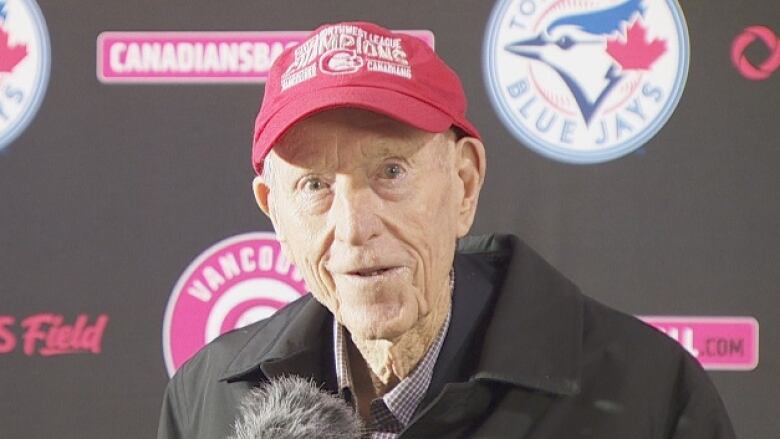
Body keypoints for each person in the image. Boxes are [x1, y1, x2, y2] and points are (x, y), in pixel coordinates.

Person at [157, 21, 736, 439]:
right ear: (273, 211)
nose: (354, 227)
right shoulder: (209, 398)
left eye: (390, 171)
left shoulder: (650, 395)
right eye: (314, 186)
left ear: (463, 183)